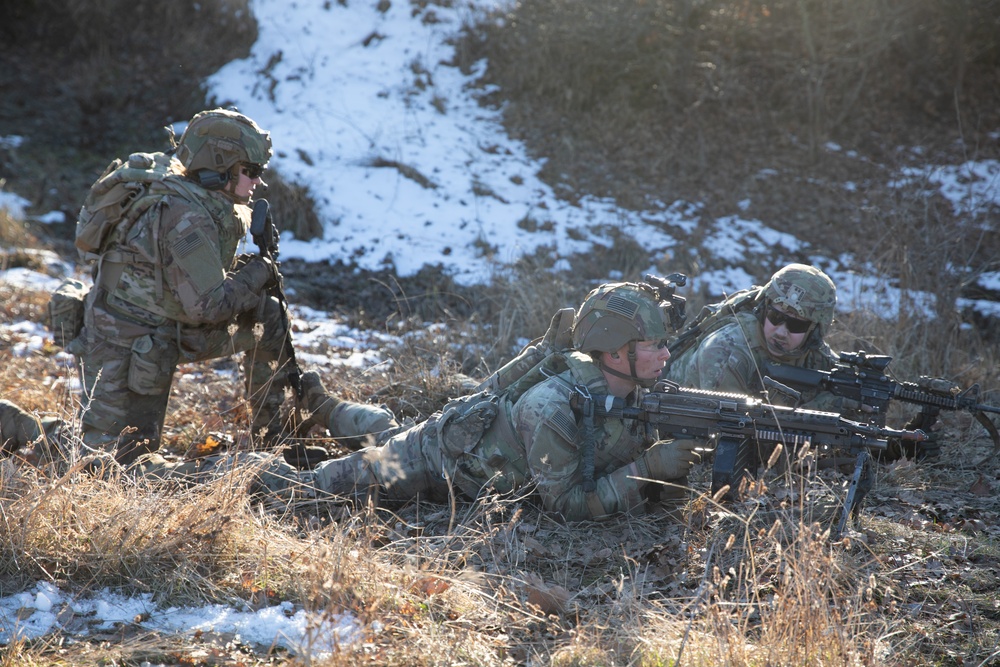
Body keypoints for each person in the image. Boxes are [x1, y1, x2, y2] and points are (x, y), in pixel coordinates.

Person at [66, 108, 394, 465]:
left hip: (161, 324)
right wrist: (260, 271)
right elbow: (209, 305)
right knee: (114, 465)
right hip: (124, 343)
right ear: (219, 166)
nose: (257, 183)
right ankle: (39, 435)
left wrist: (252, 276)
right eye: (250, 172)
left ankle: (276, 439)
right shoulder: (186, 216)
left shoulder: (193, 194)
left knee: (267, 316)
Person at [234, 281, 702, 521]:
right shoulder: (554, 407)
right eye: (654, 345)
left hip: (468, 435)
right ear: (616, 350)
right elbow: (566, 506)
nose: (666, 354)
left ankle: (323, 407)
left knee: (387, 426)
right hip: (438, 462)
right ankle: (191, 474)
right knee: (307, 490)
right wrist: (647, 470)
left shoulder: (631, 388)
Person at [664, 263, 937, 459]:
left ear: (815, 329)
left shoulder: (814, 354)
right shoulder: (726, 350)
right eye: (776, 317)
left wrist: (895, 444)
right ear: (763, 307)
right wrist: (826, 407)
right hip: (673, 432)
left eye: (796, 324)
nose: (781, 331)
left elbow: (837, 429)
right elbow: (737, 434)